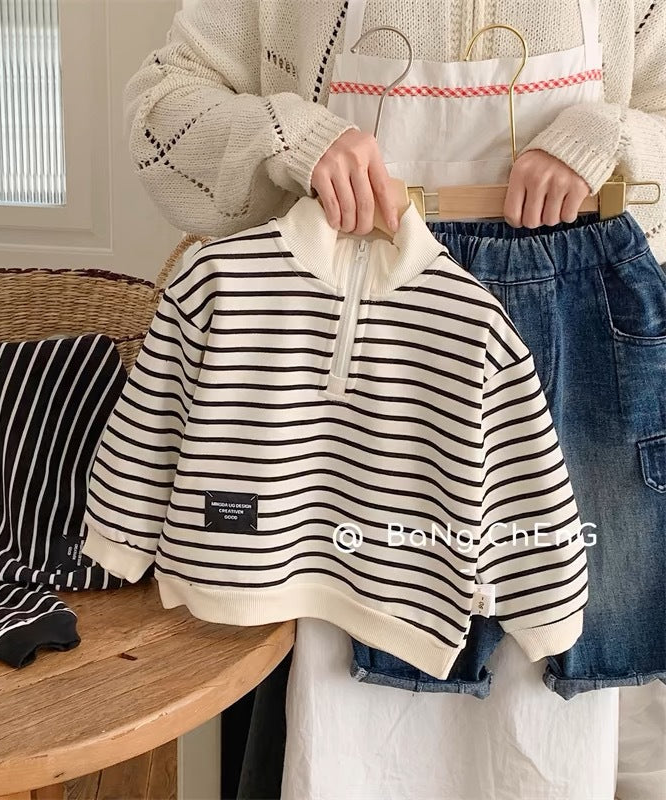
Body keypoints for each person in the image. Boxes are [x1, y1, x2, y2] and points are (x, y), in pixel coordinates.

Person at [122, 2, 666, 798]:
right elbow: (160, 115)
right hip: (355, 331)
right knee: (354, 668)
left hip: (571, 315)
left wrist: (608, 137)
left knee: (552, 667)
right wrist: (296, 139)